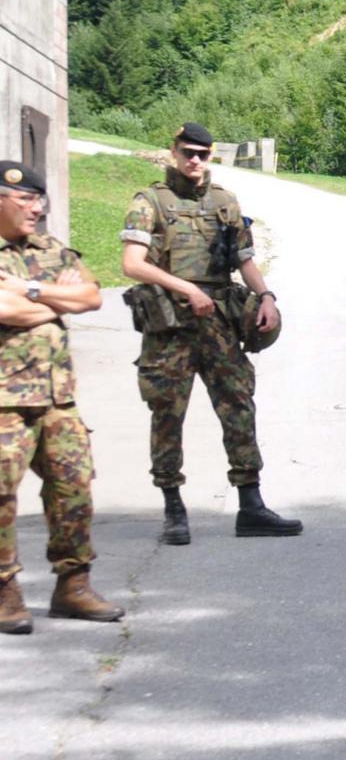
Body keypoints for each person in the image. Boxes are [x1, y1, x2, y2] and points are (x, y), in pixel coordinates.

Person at [120, 122, 301, 545]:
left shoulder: (224, 202)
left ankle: (251, 504)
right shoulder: (150, 201)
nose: (195, 160)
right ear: (174, 151)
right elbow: (133, 263)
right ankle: (173, 508)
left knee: (239, 405)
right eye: (188, 152)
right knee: (168, 413)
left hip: (219, 324)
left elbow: (245, 259)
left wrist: (267, 297)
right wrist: (186, 289)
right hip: (170, 327)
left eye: (202, 153)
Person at [0, 162, 124, 632]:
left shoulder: (49, 248)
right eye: (26, 200)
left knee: (73, 487)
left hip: (58, 398)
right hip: (5, 400)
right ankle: (5, 593)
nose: (37, 208)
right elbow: (3, 308)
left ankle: (73, 586)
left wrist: (31, 291)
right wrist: (54, 302)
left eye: (39, 200)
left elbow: (91, 296)